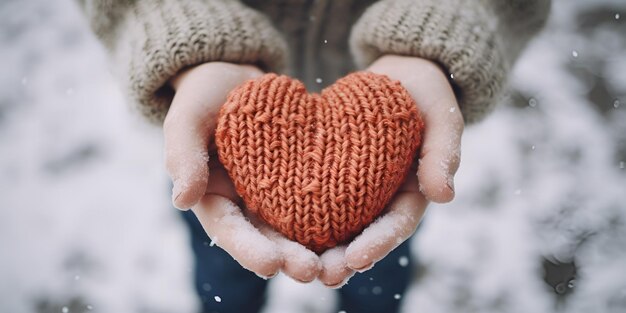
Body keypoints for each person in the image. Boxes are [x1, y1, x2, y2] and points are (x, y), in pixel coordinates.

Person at [78, 0, 551, 312]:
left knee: (377, 267)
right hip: (228, 145)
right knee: (222, 260)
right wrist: (186, 37)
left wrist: (441, 30)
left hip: (382, 144)